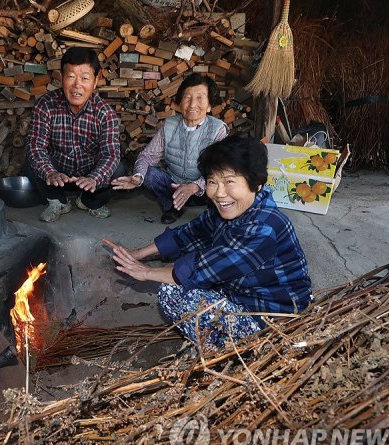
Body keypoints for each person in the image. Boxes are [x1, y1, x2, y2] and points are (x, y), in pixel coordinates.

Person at [103, 135, 312, 350]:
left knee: (173, 292)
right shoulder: (230, 208)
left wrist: (145, 272)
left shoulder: (263, 227)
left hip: (271, 318)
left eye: (230, 182)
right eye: (212, 182)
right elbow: (192, 232)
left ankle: (236, 351)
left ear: (256, 184)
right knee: (190, 260)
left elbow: (203, 269)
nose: (220, 193)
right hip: (241, 293)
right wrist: (138, 253)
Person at [111, 73, 229, 224]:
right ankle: (172, 208)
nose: (192, 104)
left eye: (200, 98)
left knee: (224, 178)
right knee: (149, 174)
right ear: (180, 103)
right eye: (187, 97)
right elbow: (147, 156)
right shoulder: (170, 125)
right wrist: (138, 176)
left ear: (209, 106)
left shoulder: (218, 129)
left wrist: (195, 186)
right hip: (174, 186)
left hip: (205, 190)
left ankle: (214, 213)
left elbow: (221, 169)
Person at [24, 47, 123, 222]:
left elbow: (111, 154)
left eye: (85, 78)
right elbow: (36, 145)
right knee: (30, 162)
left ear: (95, 80)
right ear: (61, 77)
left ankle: (88, 201)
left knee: (119, 170)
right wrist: (49, 172)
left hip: (89, 174)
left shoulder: (105, 113)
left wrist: (94, 178)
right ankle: (58, 201)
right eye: (71, 77)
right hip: (58, 172)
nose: (77, 85)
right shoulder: (46, 105)